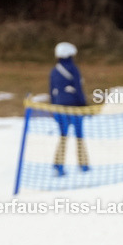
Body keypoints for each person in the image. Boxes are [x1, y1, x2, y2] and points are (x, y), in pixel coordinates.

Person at [49, 41, 90, 176]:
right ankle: (83, 165)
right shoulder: (73, 69)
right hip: (75, 109)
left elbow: (52, 92)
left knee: (63, 137)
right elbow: (78, 88)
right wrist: (84, 105)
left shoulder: (54, 71)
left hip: (60, 110)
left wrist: (54, 109)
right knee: (79, 137)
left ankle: (58, 165)